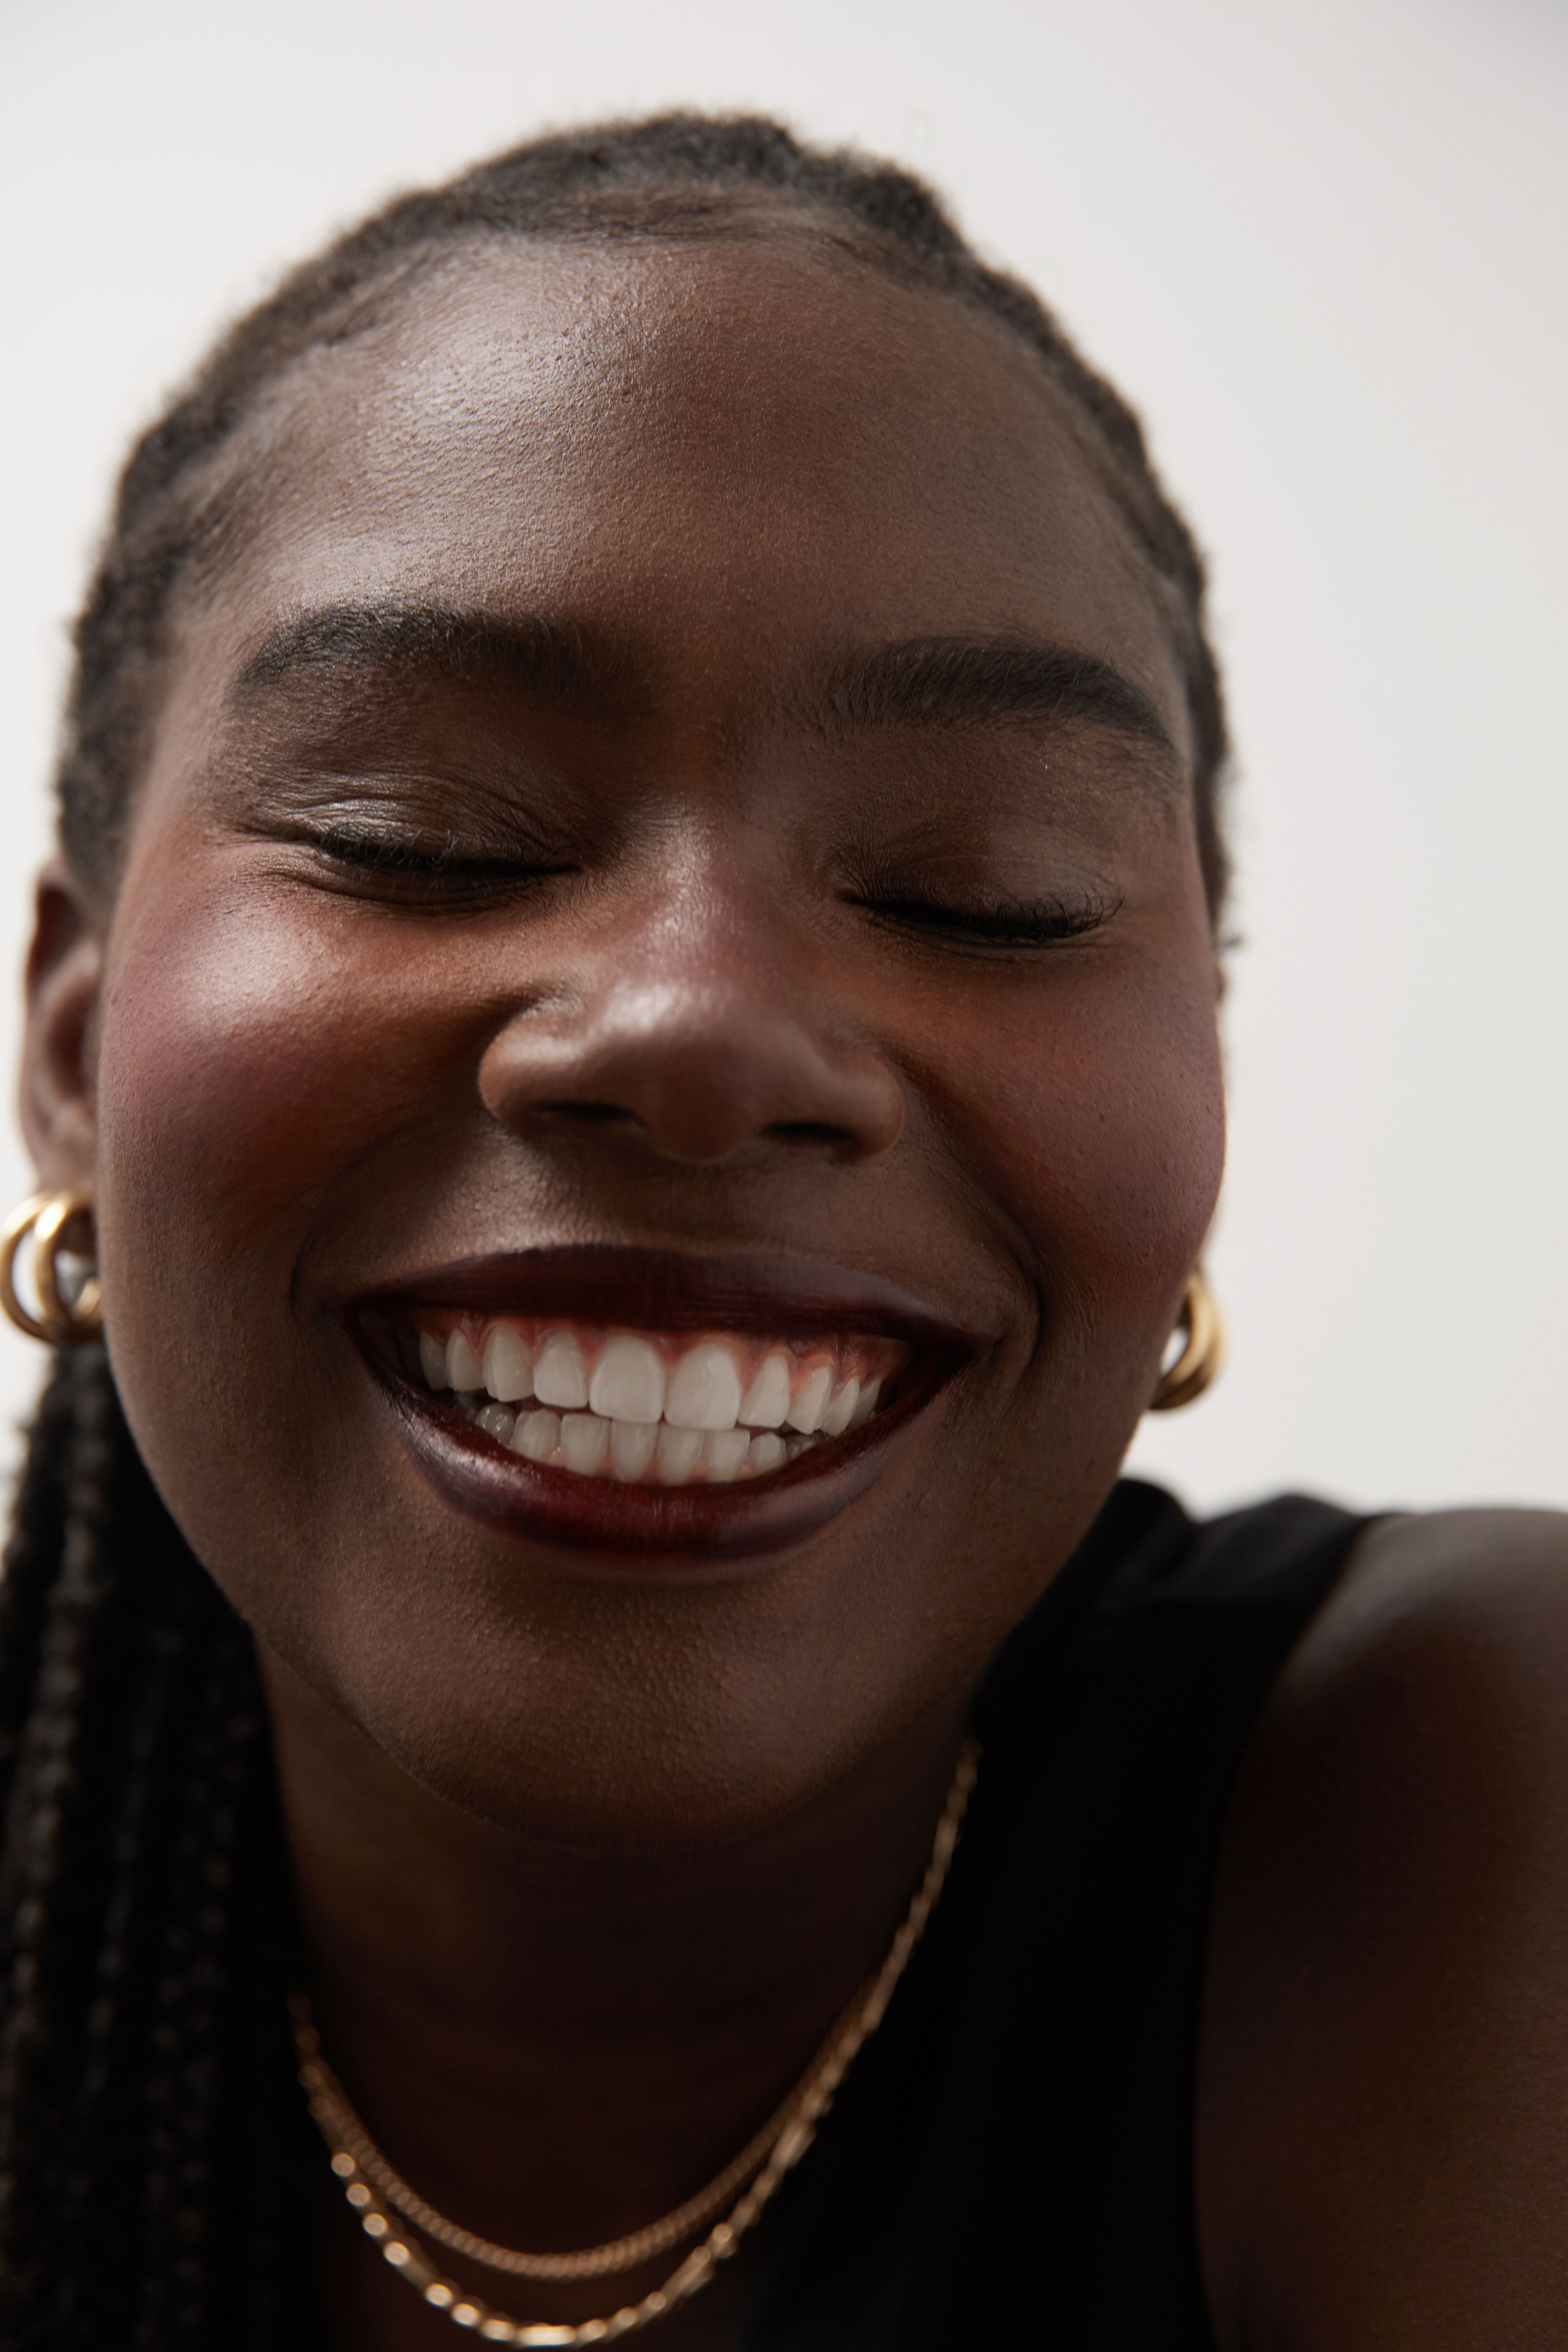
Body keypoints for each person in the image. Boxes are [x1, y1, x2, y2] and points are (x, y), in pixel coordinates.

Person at [0, 109, 1562, 2352]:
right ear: (69, 1048)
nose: (701, 1025)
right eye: (420, 831)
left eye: (982, 889)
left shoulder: (1472, 1813)